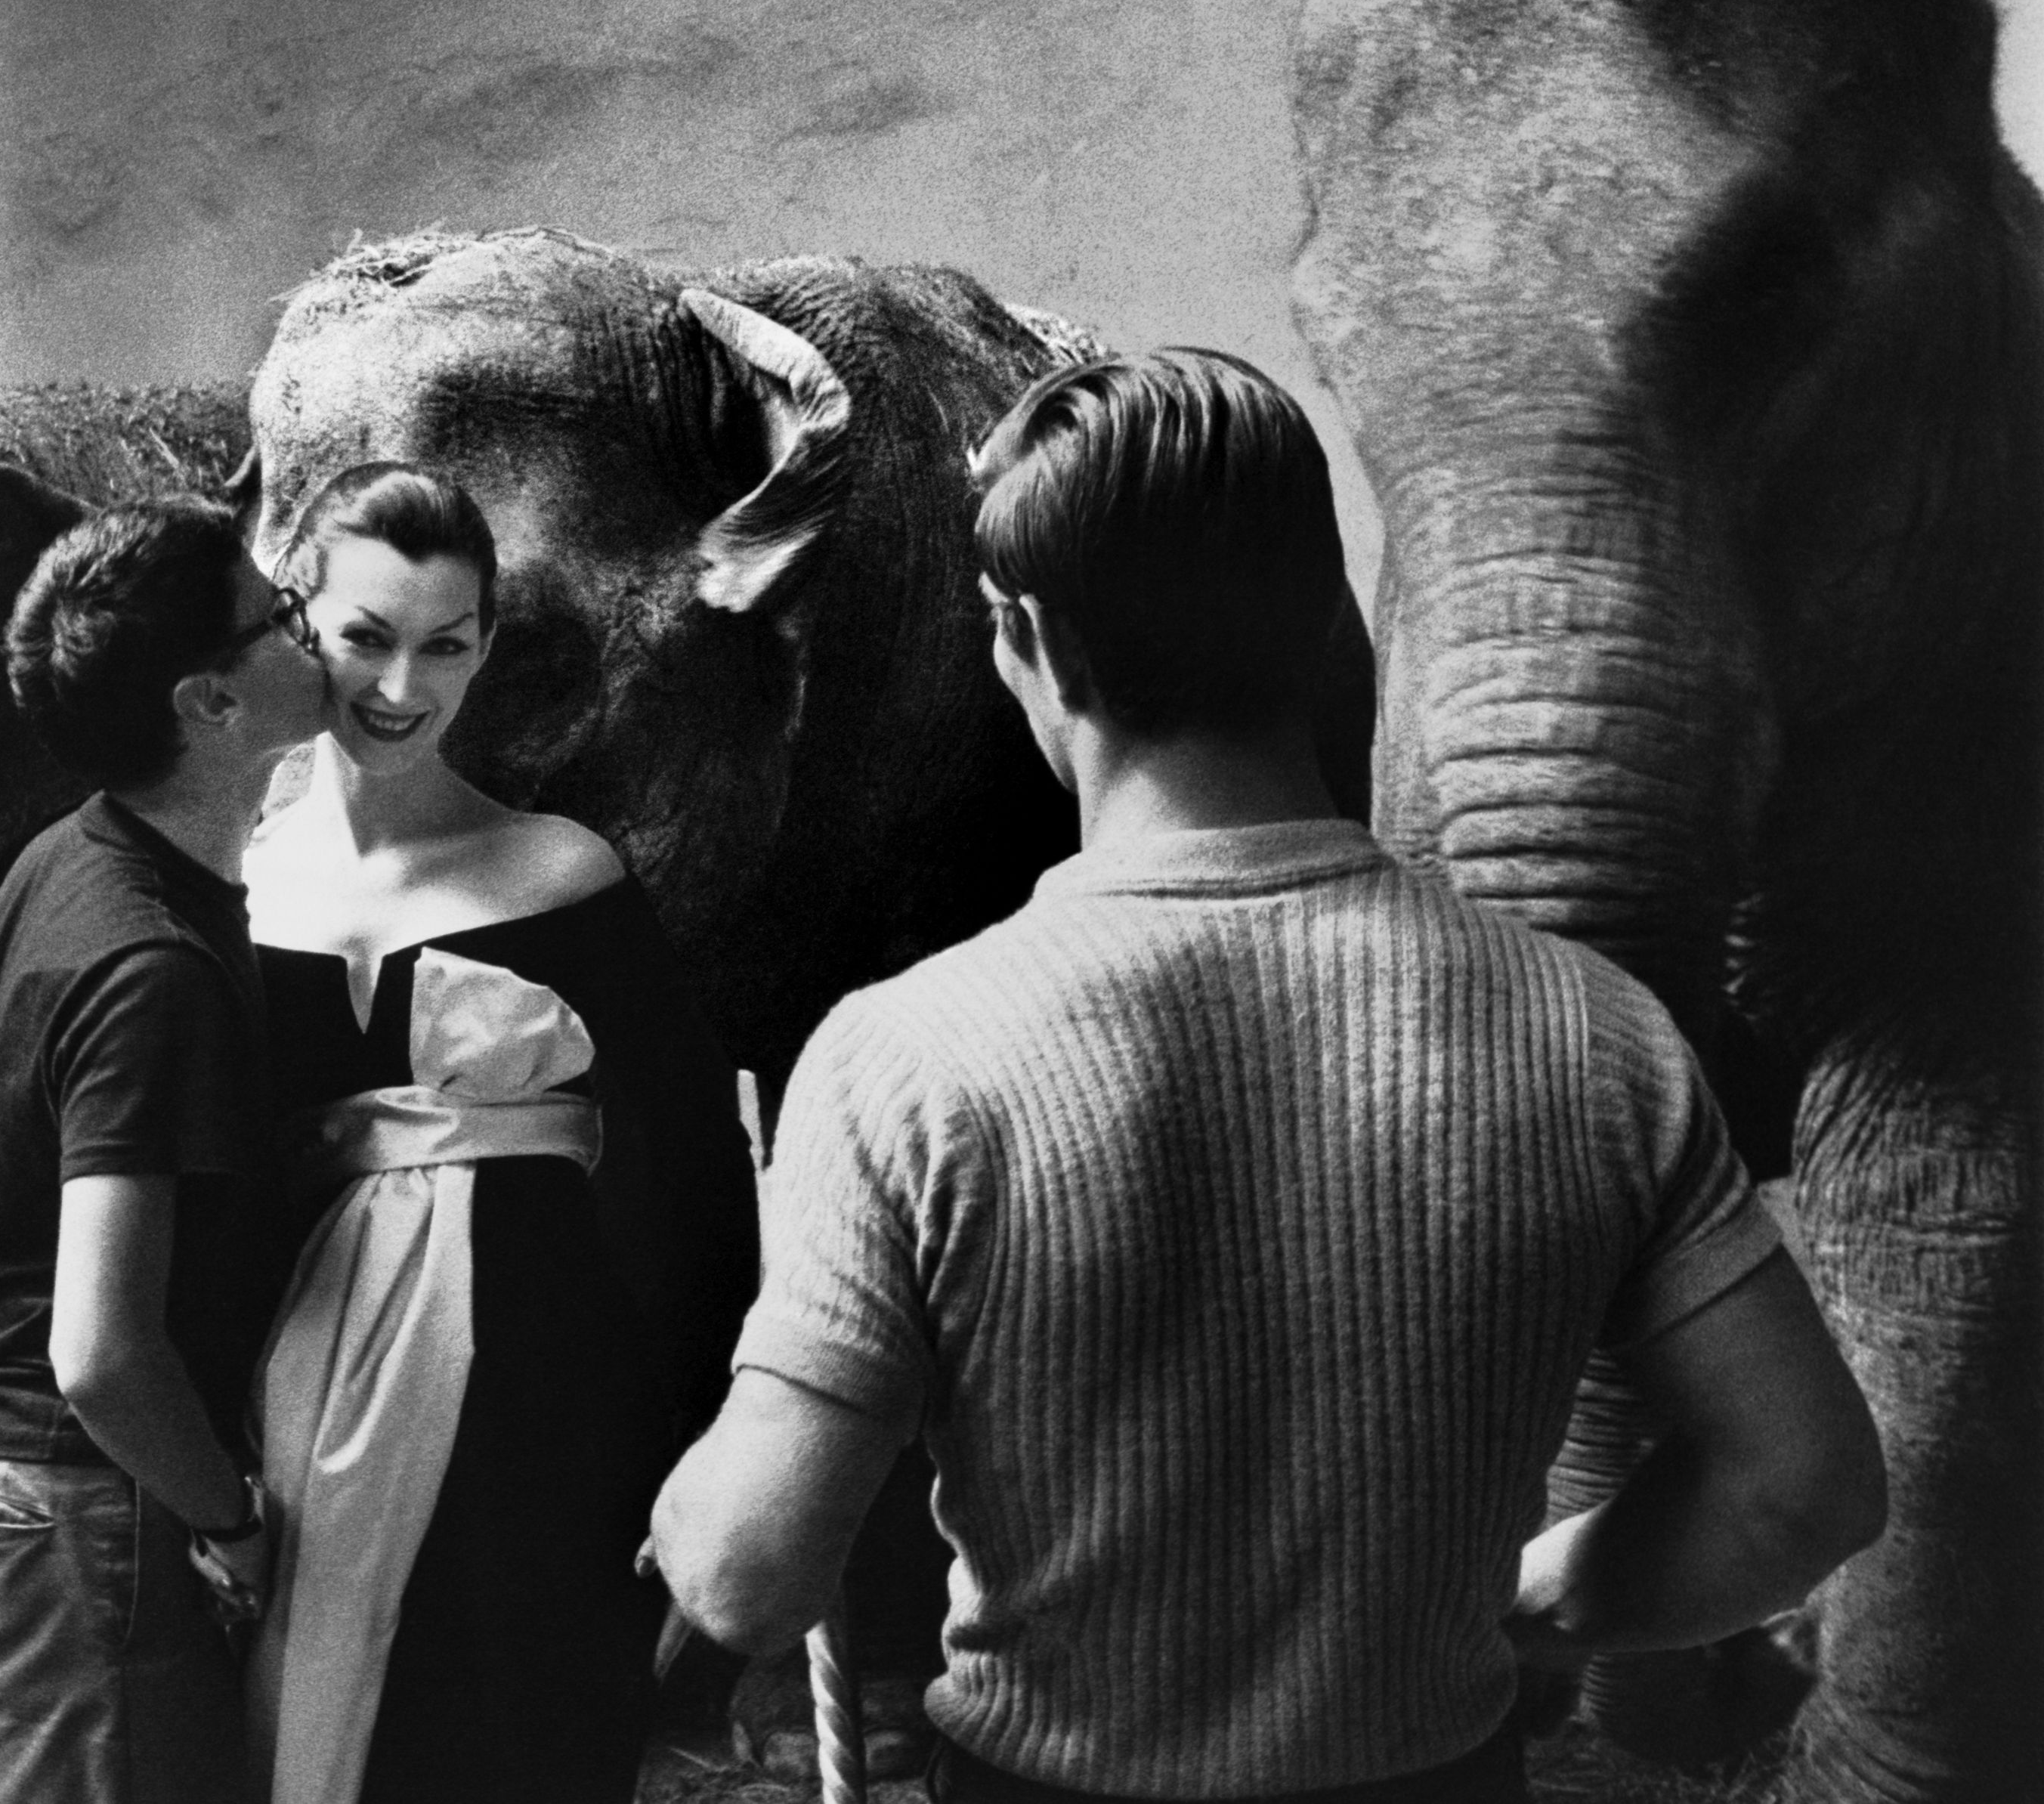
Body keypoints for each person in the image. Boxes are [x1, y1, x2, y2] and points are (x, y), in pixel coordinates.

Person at [649, 350, 1888, 1804]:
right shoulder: (1597, 1033)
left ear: (1031, 639)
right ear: (1324, 618)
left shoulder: (901, 1063)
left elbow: (743, 1575)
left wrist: (683, 1499)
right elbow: (1804, 1487)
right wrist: (1544, 1592)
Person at [240, 461, 759, 1804]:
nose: (402, 688)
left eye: (445, 647)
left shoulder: (562, 874)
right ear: (293, 615)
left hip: (547, 1425)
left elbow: (700, 1198)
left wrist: (699, 1458)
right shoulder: (228, 876)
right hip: (285, 1420)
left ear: (485, 651)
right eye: (364, 636)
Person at [0, 497, 330, 1804]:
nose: (310, 632)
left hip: (23, 1487)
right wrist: (237, 1525)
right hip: (83, 1513)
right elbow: (100, 1351)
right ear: (212, 702)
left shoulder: (72, 853)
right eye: (282, 618)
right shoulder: (152, 969)